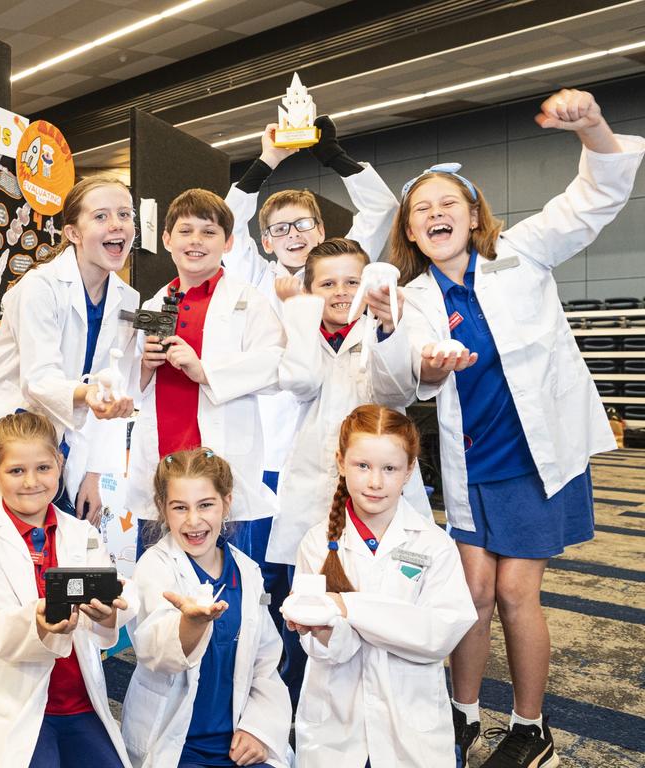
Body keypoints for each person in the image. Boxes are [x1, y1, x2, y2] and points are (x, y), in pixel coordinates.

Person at [387, 89, 644, 767]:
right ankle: (463, 714)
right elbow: (397, 373)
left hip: (536, 462)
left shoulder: (521, 255)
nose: (437, 214)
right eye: (423, 209)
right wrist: (428, 366)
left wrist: (591, 125)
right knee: (469, 593)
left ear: (474, 216)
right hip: (471, 471)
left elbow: (596, 196)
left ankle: (532, 728)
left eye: (449, 203)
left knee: (512, 591)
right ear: (411, 231)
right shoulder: (409, 299)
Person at [223, 119, 400, 692]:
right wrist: (268, 156)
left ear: (322, 229)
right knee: (271, 586)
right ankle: (272, 693)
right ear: (267, 239)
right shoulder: (255, 279)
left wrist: (337, 157)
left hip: (337, 461)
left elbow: (382, 210)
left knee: (338, 580)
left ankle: (332, 691)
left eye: (303, 224)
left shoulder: (342, 279)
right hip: (268, 457)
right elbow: (229, 220)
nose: (292, 235)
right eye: (279, 228)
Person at [290, 404, 476, 767]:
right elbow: (330, 650)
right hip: (335, 729)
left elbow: (436, 636)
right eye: (363, 466)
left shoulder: (433, 545)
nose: (375, 482)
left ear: (409, 471)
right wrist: (325, 629)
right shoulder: (316, 543)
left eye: (389, 468)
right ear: (341, 463)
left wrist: (345, 608)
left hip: (411, 726)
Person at [0, 177, 140, 523]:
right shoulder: (40, 287)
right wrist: (92, 395)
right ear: (73, 233)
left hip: (66, 456)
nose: (117, 224)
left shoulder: (127, 301)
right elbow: (39, 380)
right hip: (13, 446)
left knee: (64, 566)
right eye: (100, 216)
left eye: (125, 214)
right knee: (7, 563)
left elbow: (115, 388)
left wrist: (96, 474)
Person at [0, 411, 136, 768]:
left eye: (43, 468)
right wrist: (38, 623)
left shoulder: (81, 534)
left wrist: (109, 612)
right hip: (18, 708)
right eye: (16, 471)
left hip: (79, 703)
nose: (31, 482)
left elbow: (106, 614)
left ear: (60, 464)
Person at [127, 189, 285, 532]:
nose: (196, 241)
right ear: (167, 239)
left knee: (226, 574)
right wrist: (144, 366)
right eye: (185, 231)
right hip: (162, 464)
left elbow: (276, 366)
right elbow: (126, 389)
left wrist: (206, 371)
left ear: (227, 243)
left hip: (221, 465)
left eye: (209, 232)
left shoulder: (248, 300)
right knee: (157, 576)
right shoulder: (153, 306)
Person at [122, 447, 291, 768]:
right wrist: (191, 626)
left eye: (206, 505)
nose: (194, 520)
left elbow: (266, 663)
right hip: (176, 744)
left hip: (238, 742)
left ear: (226, 503)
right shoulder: (155, 567)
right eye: (180, 507)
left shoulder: (246, 572)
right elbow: (154, 651)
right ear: (162, 508)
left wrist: (258, 730)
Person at [272, 236, 431, 574]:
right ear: (309, 290)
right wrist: (298, 312)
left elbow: (397, 392)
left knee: (389, 591)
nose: (341, 291)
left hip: (380, 485)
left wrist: (390, 328)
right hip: (313, 494)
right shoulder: (300, 335)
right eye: (327, 283)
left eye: (352, 282)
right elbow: (302, 383)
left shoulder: (387, 330)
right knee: (311, 603)